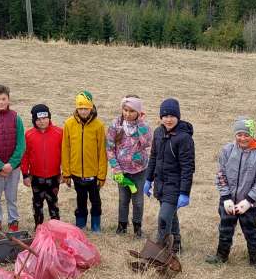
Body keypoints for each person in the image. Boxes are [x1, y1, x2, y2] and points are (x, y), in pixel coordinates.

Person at [205, 116, 256, 267]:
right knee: (225, 229)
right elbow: (221, 174)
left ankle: (254, 260)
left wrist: (248, 201)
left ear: (252, 135)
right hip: (228, 201)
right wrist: (226, 197)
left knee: (251, 232)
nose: (243, 138)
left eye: (246, 135)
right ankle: (221, 256)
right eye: (239, 134)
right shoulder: (227, 150)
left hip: (249, 204)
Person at [143, 98, 195, 253]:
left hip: (175, 185)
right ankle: (176, 244)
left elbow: (188, 167)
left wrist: (184, 192)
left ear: (178, 116)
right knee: (170, 215)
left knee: (164, 218)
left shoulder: (184, 138)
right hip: (160, 183)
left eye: (172, 115)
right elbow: (153, 157)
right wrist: (148, 179)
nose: (168, 119)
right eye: (165, 116)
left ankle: (160, 250)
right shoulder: (158, 133)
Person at [105, 95, 152, 237]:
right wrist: (116, 168)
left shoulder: (143, 126)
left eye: (132, 111)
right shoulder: (115, 125)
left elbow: (147, 143)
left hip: (139, 170)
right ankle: (122, 226)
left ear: (138, 112)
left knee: (138, 201)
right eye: (125, 110)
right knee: (123, 199)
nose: (127, 114)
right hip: (122, 171)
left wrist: (141, 125)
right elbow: (109, 148)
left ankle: (137, 227)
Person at [0, 84, 27, 232]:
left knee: (11, 198)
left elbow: (21, 145)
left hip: (13, 169)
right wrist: (0, 166)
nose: (0, 102)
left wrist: (11, 165)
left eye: (3, 99)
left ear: (8, 99)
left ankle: (13, 222)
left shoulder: (16, 119)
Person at [61, 91, 107, 232]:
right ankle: (80, 224)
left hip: (93, 174)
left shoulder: (99, 126)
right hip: (76, 173)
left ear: (91, 108)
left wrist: (102, 175)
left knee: (96, 201)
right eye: (80, 108)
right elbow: (66, 149)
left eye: (86, 108)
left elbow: (102, 152)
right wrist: (67, 173)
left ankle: (95, 225)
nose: (83, 111)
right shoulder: (69, 124)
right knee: (80, 201)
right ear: (76, 108)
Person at [22, 104, 64, 227]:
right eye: (38, 119)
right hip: (36, 177)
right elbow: (25, 156)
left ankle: (56, 226)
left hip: (54, 176)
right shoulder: (29, 135)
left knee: (53, 203)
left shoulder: (59, 133)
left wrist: (65, 173)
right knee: (37, 203)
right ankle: (38, 226)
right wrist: (25, 174)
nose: (42, 122)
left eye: (45, 118)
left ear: (49, 118)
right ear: (34, 120)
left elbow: (65, 154)